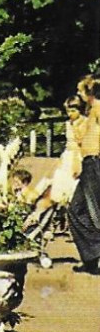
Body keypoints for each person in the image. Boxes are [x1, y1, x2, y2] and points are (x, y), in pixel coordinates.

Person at [69, 77, 100, 274]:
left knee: (94, 211)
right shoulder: (91, 112)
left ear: (89, 93)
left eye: (81, 91)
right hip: (87, 163)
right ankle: (91, 256)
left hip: (95, 163)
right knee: (75, 210)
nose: (79, 95)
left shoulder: (99, 108)